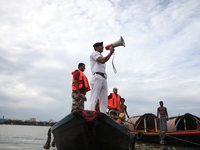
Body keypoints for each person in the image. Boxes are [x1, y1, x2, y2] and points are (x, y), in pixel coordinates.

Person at [89, 41, 115, 113]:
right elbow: (102, 61)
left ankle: (103, 114)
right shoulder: (94, 53)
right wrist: (110, 53)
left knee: (104, 98)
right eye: (101, 46)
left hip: (103, 78)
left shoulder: (101, 55)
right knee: (95, 96)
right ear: (96, 47)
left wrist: (110, 53)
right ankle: (90, 112)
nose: (103, 47)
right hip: (97, 76)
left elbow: (103, 59)